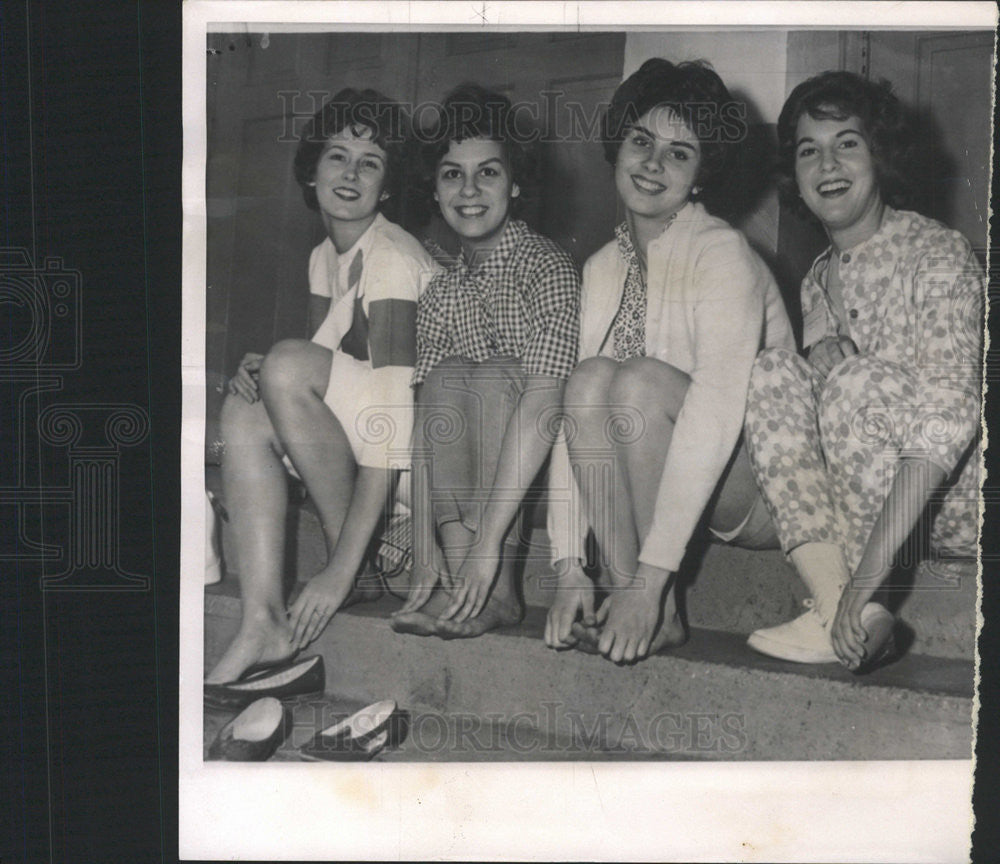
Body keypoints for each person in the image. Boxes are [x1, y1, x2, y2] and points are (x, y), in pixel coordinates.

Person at [543, 58, 795, 664]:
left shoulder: (722, 252)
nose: (653, 164)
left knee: (636, 383)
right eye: (641, 141)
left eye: (680, 154)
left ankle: (651, 595)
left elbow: (712, 413)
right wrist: (569, 565)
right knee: (587, 380)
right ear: (618, 146)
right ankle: (632, 595)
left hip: (760, 485)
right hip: (662, 480)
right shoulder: (603, 266)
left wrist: (656, 576)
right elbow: (579, 421)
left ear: (703, 174)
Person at [743, 71, 983, 671]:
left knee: (855, 382)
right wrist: (814, 362)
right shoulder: (814, 282)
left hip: (956, 497)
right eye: (808, 149)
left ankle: (853, 602)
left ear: (879, 154)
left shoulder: (937, 251)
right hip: (864, 506)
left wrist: (867, 578)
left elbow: (946, 421)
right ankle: (841, 616)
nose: (827, 163)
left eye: (846, 142)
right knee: (772, 369)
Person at [206, 89, 436, 684]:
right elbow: (320, 373)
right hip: (375, 458)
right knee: (245, 402)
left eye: (371, 161)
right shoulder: (322, 257)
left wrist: (337, 568)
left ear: (388, 187)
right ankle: (263, 620)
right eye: (338, 155)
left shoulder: (389, 256)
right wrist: (266, 374)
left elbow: (393, 418)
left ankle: (356, 564)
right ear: (312, 171)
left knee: (284, 366)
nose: (351, 173)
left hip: (428, 461)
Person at [391, 83, 581, 640]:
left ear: (516, 183)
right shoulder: (442, 290)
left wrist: (489, 543)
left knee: (500, 372)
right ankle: (459, 581)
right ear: (434, 188)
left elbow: (546, 402)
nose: (469, 189)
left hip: (556, 466)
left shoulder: (546, 267)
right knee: (445, 376)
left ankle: (495, 588)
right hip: (473, 493)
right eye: (452, 174)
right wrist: (427, 546)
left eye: (488, 173)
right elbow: (428, 429)